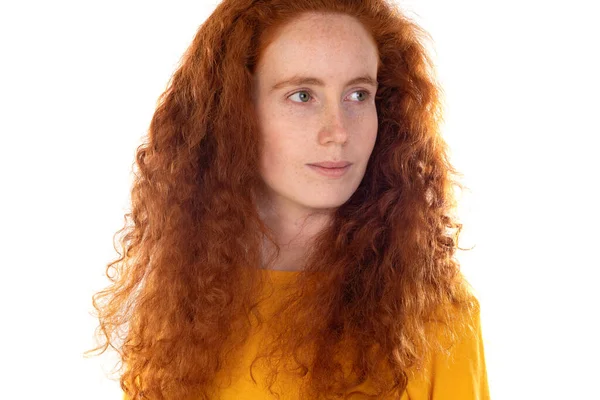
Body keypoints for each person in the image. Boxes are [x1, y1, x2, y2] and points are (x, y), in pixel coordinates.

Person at [87, 0, 490, 399]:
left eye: (358, 95)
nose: (337, 131)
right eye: (302, 96)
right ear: (236, 114)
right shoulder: (178, 304)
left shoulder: (435, 312)